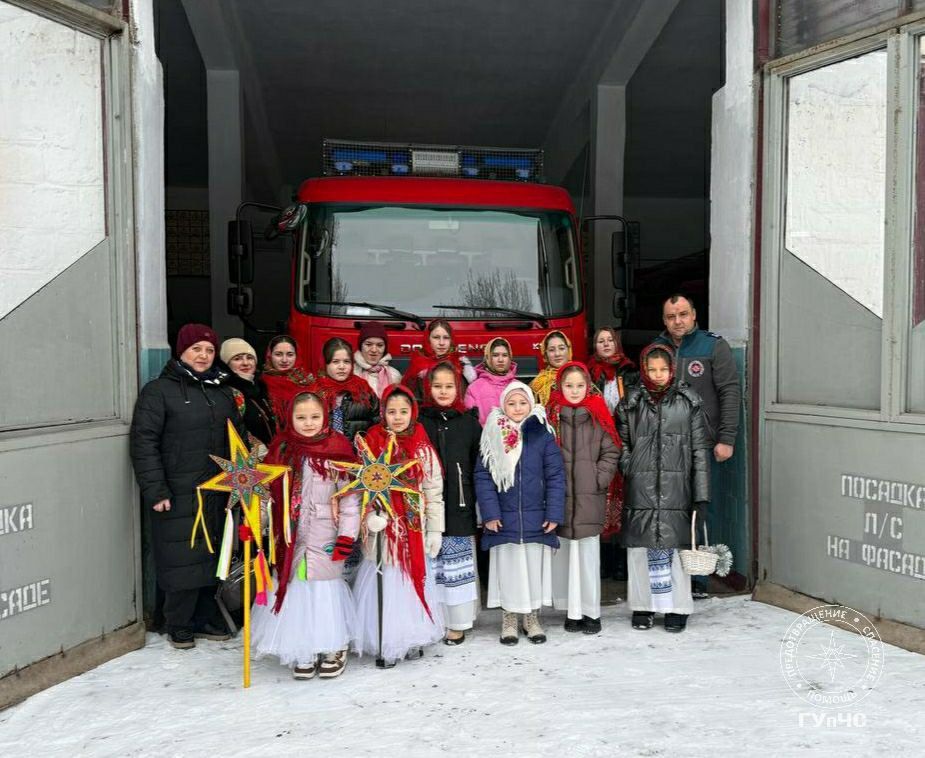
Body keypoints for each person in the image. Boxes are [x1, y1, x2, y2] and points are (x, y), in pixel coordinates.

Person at [130, 323, 245, 649]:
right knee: (180, 556)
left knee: (211, 556)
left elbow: (237, 442)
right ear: (182, 351)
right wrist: (156, 490)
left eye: (209, 350)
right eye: (196, 349)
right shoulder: (159, 392)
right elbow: (144, 442)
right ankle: (177, 622)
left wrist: (242, 483)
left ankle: (204, 614)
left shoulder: (222, 392)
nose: (203, 355)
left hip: (217, 490)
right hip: (177, 492)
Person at [250, 393, 360, 679]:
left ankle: (334, 645)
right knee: (297, 590)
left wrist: (348, 535)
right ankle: (304, 647)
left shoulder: (337, 448)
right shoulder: (282, 449)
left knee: (323, 592)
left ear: (324, 417)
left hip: (326, 534)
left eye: (314, 417)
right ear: (290, 419)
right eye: (301, 418)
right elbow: (267, 493)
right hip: (290, 536)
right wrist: (256, 521)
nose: (308, 423)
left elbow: (350, 498)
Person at [616, 343, 710, 633]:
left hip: (677, 487)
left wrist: (701, 495)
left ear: (673, 369)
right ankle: (643, 606)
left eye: (663, 369)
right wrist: (630, 466)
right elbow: (621, 444)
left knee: (674, 546)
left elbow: (699, 451)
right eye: (652, 369)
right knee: (640, 549)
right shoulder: (630, 403)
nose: (658, 375)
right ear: (644, 369)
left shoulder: (688, 401)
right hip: (640, 487)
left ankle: (676, 607)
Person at [352, 385, 445, 666]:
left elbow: (433, 490)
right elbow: (359, 485)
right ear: (383, 413)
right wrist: (368, 516)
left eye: (403, 411)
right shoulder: (372, 442)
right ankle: (386, 641)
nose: (397, 417)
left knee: (408, 585)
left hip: (412, 525)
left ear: (412, 412)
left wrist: (435, 529)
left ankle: (411, 636)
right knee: (387, 581)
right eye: (391, 411)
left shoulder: (421, 445)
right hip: (384, 527)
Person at [656, 294, 740, 596]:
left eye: (683, 314)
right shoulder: (657, 348)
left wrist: (726, 438)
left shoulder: (713, 346)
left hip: (703, 444)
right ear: (664, 320)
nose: (678, 321)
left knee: (700, 510)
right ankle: (672, 576)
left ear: (694, 315)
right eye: (671, 317)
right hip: (665, 446)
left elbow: (730, 392)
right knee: (669, 511)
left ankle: (699, 579)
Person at [475, 382, 565, 645]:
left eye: (522, 403)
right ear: (503, 405)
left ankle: (532, 617)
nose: (517, 408)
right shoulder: (492, 433)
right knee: (509, 570)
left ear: (531, 404)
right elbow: (483, 476)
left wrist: (554, 512)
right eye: (511, 403)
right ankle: (510, 617)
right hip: (504, 519)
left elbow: (556, 475)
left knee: (533, 571)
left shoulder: (542, 433)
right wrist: (490, 513)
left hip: (537, 518)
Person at [545, 362, 621, 634]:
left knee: (588, 558)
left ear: (588, 385)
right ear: (560, 386)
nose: (574, 391)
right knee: (564, 557)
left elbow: (612, 450)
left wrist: (598, 478)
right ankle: (571, 611)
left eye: (580, 385)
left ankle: (591, 611)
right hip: (561, 497)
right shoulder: (551, 416)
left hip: (590, 498)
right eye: (569, 385)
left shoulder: (597, 414)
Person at [419, 363, 482, 644]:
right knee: (431, 562)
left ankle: (457, 620)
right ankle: (431, 619)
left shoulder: (468, 421)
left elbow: (479, 464)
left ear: (458, 388)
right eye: (437, 386)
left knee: (455, 564)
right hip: (426, 503)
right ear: (428, 389)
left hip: (459, 501)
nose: (443, 392)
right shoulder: (419, 421)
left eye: (449, 386)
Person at [310, 337, 379, 440]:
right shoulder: (315, 392)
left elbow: (377, 423)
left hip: (358, 453)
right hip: (325, 452)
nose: (342, 367)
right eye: (335, 362)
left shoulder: (363, 389)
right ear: (325, 364)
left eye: (346, 361)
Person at [219, 337, 276, 446]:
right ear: (226, 364)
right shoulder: (227, 393)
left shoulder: (261, 387)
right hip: (249, 459)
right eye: (237, 359)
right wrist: (260, 452)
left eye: (250, 358)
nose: (245, 363)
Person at [402, 319, 476, 402]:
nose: (441, 343)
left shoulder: (461, 365)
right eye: (436, 337)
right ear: (428, 339)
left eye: (446, 338)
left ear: (451, 340)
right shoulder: (418, 366)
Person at [261, 334, 313, 430]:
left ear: (297, 356)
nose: (284, 360)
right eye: (278, 354)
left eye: (290, 354)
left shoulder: (307, 382)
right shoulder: (260, 384)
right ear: (270, 355)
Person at [464, 337, 518, 425]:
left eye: (504, 355)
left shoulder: (519, 387)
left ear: (510, 358)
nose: (500, 360)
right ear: (488, 358)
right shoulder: (474, 389)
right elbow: (470, 425)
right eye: (495, 355)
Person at [588, 327, 638, 415]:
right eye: (601, 341)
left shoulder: (629, 370)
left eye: (610, 340)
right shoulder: (590, 371)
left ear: (617, 344)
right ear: (595, 346)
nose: (606, 344)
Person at [353, 321, 402, 399]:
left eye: (380, 345)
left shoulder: (395, 376)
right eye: (368, 344)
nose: (374, 350)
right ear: (360, 346)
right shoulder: (350, 373)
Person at [530, 330, 573, 406]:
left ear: (569, 350)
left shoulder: (580, 376)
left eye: (561, 348)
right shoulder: (538, 383)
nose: (557, 354)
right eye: (551, 350)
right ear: (545, 354)